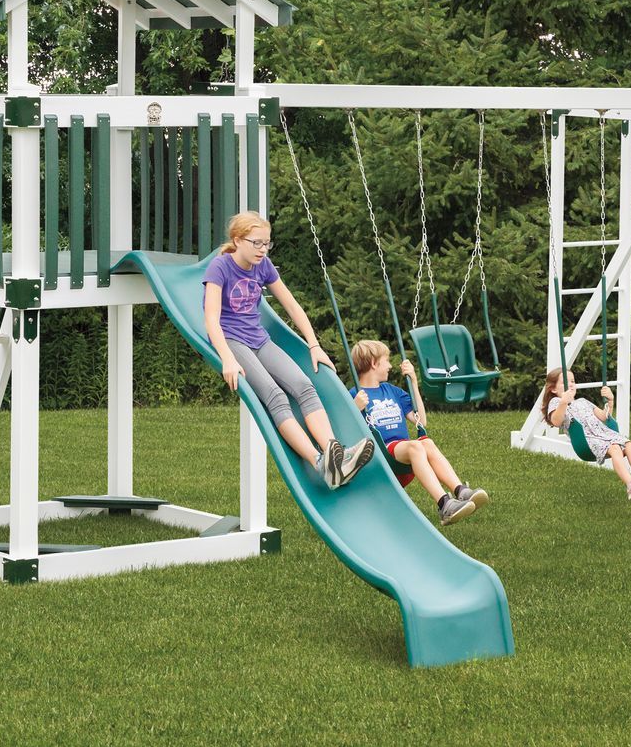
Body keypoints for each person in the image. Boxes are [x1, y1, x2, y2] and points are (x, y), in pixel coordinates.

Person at [205, 211, 375, 489]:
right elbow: (211, 318)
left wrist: (314, 345)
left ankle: (337, 455)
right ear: (237, 241)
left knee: (304, 385)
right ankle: (320, 463)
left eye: (267, 243)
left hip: (259, 339)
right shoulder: (220, 267)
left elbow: (292, 306)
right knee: (275, 396)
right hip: (232, 340)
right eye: (256, 243)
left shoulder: (264, 266)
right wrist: (226, 358)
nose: (262, 249)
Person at [350, 339, 489, 526]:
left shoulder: (393, 391)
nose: (390, 366)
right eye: (387, 361)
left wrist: (414, 383)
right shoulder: (355, 395)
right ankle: (444, 504)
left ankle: (461, 491)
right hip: (381, 455)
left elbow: (421, 421)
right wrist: (355, 407)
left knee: (427, 442)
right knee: (416, 446)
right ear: (374, 363)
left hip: (403, 451)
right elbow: (346, 431)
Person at [540, 368, 631, 499]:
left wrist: (610, 401)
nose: (570, 384)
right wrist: (564, 401)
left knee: (628, 444)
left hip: (603, 435)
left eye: (573, 381)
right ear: (553, 389)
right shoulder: (556, 402)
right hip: (587, 441)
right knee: (615, 448)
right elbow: (556, 421)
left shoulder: (583, 401)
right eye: (565, 382)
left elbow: (604, 416)